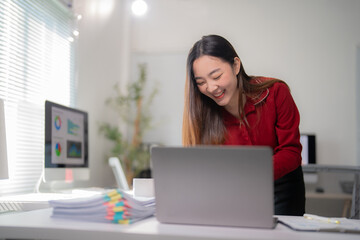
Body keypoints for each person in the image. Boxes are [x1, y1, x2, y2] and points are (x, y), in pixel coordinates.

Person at [182, 34, 305, 216]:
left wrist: (249, 174)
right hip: (236, 193)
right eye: (201, 82)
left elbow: (291, 152)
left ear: (236, 65)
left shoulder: (276, 92)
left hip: (282, 188)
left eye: (216, 76)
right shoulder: (205, 114)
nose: (211, 87)